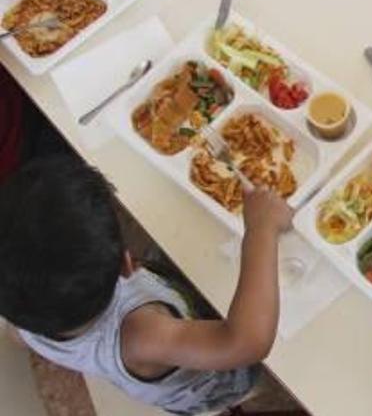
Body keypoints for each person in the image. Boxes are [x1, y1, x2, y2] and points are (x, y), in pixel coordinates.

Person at [0, 156, 294, 415]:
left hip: (162, 320)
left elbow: (16, 335)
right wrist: (261, 230)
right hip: (214, 380)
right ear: (128, 265)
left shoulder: (24, 310)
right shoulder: (140, 334)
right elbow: (246, 342)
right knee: (287, 359)